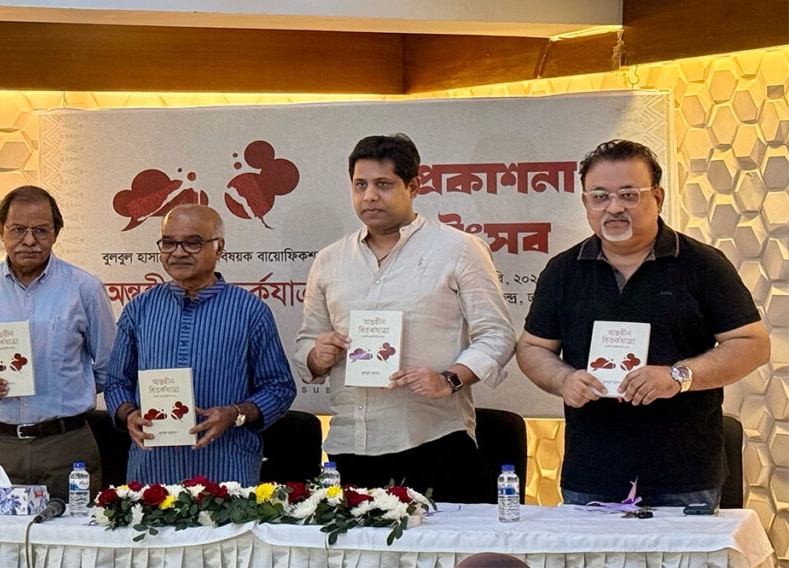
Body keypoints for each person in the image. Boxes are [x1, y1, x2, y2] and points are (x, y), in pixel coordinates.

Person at [517, 139, 770, 507]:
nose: (614, 207)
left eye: (629, 195)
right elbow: (532, 347)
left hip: (684, 475)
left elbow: (753, 344)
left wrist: (679, 376)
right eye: (600, 196)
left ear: (658, 197)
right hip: (591, 473)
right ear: (586, 203)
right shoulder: (563, 271)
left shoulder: (703, 264)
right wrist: (562, 380)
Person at [294, 134, 516, 502]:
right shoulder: (330, 259)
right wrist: (317, 355)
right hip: (349, 445)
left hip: (434, 442)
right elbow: (307, 342)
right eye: (360, 185)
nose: (369, 196)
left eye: (383, 184)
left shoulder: (458, 249)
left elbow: (497, 336)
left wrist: (449, 378)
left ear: (413, 186)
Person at [0, 185, 117, 499]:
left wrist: (69, 388)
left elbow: (109, 367)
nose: (30, 240)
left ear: (56, 233)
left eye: (41, 230)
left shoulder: (85, 288)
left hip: (64, 447)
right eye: (18, 229)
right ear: (1, 231)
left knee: (72, 530)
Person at [104, 204, 296, 485]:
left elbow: (279, 388)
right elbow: (116, 383)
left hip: (226, 474)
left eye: (192, 243)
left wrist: (235, 414)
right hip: (152, 474)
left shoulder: (250, 311)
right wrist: (129, 414)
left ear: (219, 248)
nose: (178, 252)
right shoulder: (139, 309)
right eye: (168, 243)